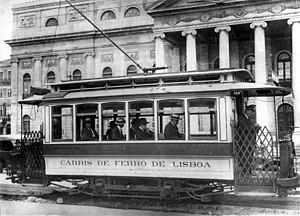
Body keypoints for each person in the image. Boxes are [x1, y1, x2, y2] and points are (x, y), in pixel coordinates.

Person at [237, 105, 261, 177]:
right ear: (247, 111)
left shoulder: (248, 119)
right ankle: (245, 173)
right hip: (245, 143)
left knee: (249, 157)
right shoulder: (242, 118)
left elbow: (251, 129)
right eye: (251, 111)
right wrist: (255, 127)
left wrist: (256, 128)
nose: (252, 113)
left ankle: (249, 172)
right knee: (246, 157)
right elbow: (245, 128)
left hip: (249, 142)